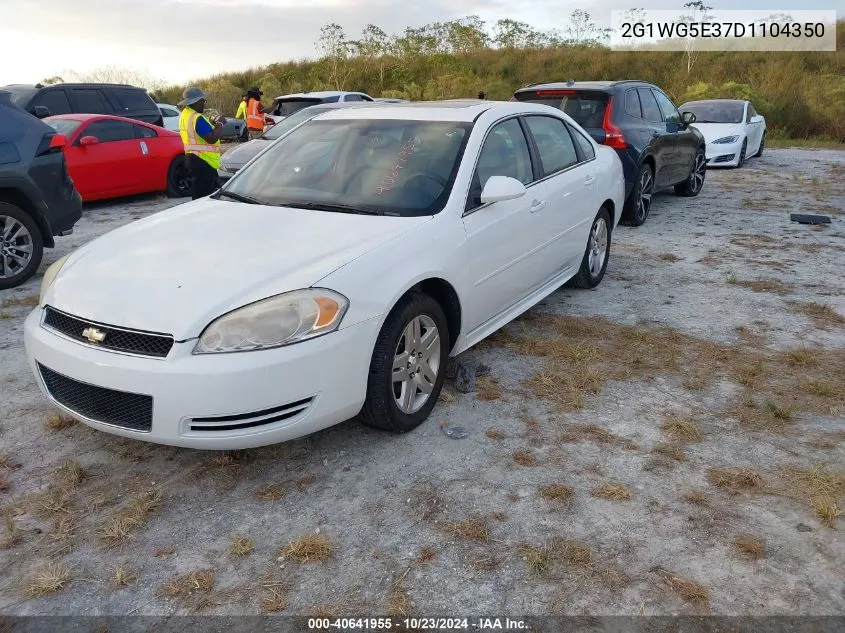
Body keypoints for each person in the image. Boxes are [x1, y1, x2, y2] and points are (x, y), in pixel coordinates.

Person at [177, 87, 226, 200]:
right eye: (203, 101)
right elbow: (211, 138)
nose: (204, 103)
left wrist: (212, 124)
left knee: (200, 194)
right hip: (202, 161)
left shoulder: (185, 114)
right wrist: (220, 124)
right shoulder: (196, 117)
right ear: (196, 102)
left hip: (193, 159)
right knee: (203, 198)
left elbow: (200, 134)